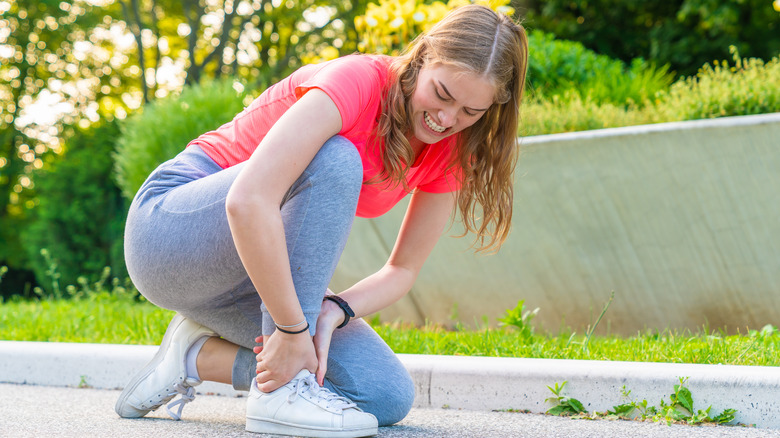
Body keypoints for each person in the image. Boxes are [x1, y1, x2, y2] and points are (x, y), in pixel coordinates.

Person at [115, 4, 528, 437]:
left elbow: (402, 269)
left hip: (252, 268)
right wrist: (293, 330)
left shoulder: (454, 149)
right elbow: (248, 201)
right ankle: (278, 397)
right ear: (422, 57)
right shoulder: (356, 83)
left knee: (382, 394)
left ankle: (192, 356)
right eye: (442, 94)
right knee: (335, 157)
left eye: (471, 111)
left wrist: (334, 311)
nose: (447, 120)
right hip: (168, 235)